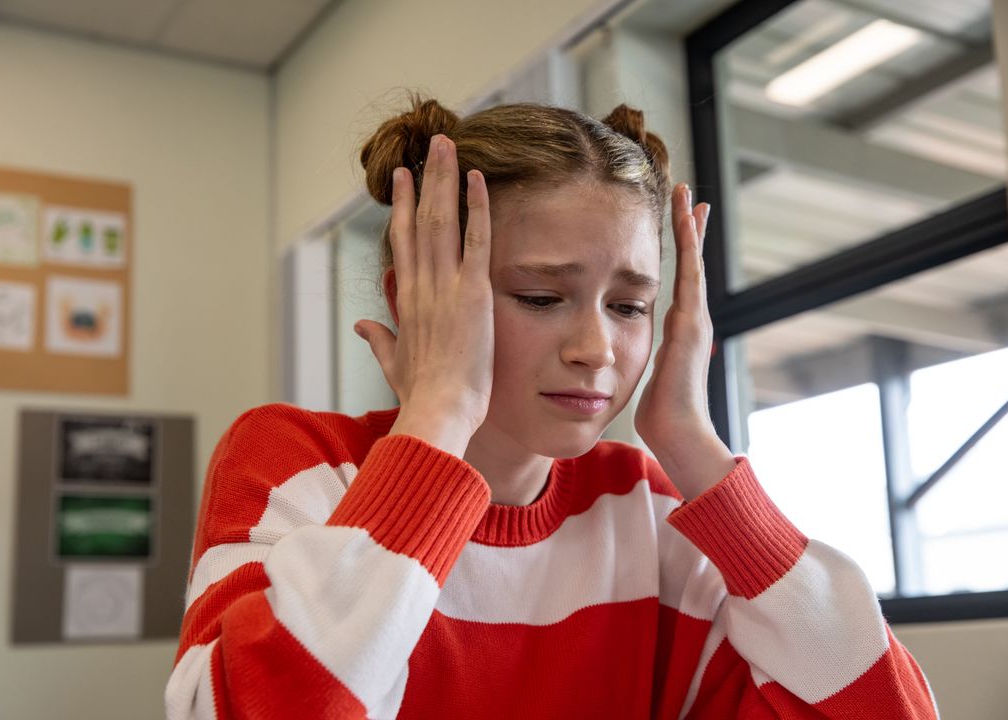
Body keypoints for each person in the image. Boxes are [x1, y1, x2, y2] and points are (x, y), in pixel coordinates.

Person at [165, 96, 938, 719]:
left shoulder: (647, 508)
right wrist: (436, 419)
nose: (597, 348)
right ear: (418, 298)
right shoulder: (293, 460)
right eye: (541, 297)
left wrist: (693, 447)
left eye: (630, 307)